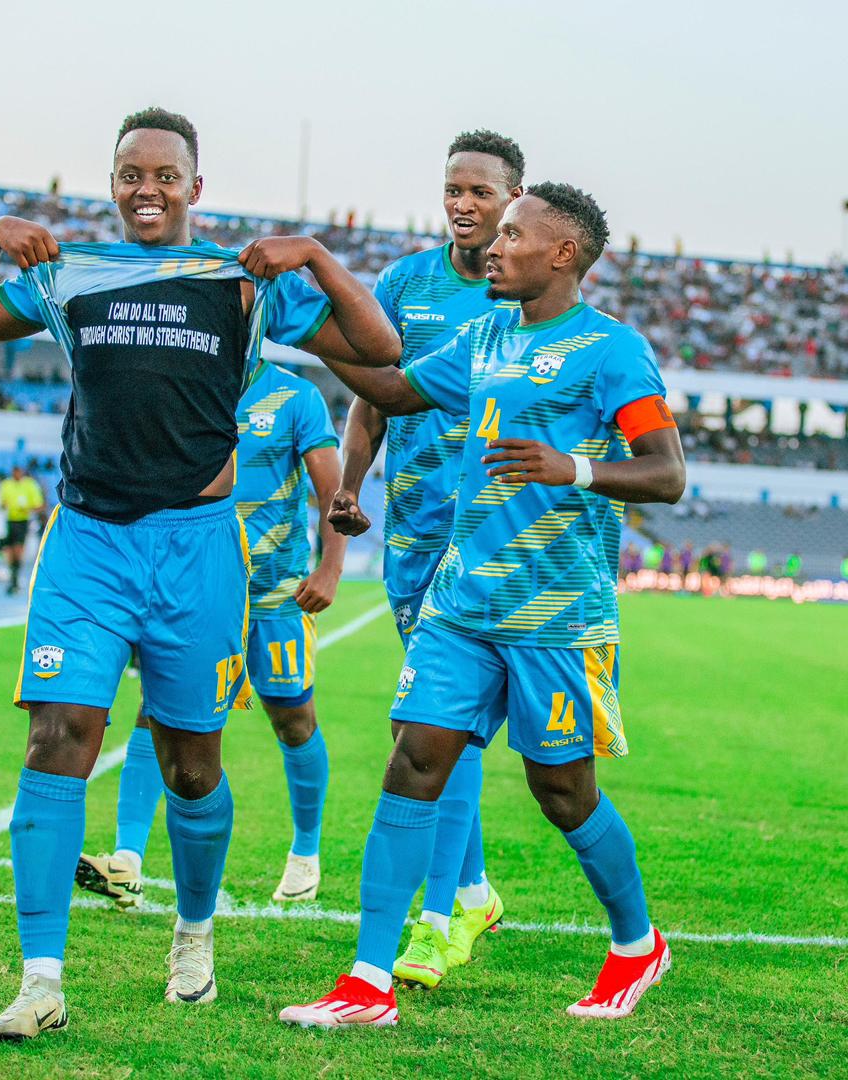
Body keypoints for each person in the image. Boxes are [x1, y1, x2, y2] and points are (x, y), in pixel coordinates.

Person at [0, 106, 399, 1039]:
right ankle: (40, 980)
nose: (147, 189)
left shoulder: (241, 282)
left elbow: (379, 347)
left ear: (195, 186)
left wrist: (313, 254)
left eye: (164, 175)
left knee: (192, 766)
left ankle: (193, 933)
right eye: (130, 174)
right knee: (58, 736)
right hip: (89, 543)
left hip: (198, 550)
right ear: (112, 184)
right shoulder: (71, 274)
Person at [280, 183, 685, 1028]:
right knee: (413, 762)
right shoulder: (486, 334)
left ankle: (637, 944)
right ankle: (368, 981)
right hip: (461, 606)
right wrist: (301, 324)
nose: (494, 247)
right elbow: (393, 391)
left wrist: (574, 468)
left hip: (556, 617)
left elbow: (667, 473)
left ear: (563, 253)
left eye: (512, 235)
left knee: (563, 792)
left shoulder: (613, 351)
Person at [327, 130, 524, 988]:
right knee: (432, 726)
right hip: (411, 531)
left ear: (514, 199)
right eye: (453, 189)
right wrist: (348, 488)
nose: (463, 204)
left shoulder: (527, 293)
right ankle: (473, 891)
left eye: (481, 191)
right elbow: (371, 399)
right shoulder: (405, 284)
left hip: (489, 535)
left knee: (445, 721)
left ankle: (440, 917)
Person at [78, 358, 346, 907]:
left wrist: (330, 567)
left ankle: (305, 853)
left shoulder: (296, 396)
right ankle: (127, 859)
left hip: (276, 593)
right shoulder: (184, 380)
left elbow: (333, 491)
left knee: (293, 719)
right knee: (155, 711)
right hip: (196, 588)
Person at [0, 465, 44, 593]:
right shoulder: (6, 484)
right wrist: (5, 505)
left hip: (22, 521)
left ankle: (15, 577)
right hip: (8, 520)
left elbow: (39, 505)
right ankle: (12, 575)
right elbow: (2, 503)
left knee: (18, 549)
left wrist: (27, 509)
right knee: (8, 550)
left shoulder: (30, 485)